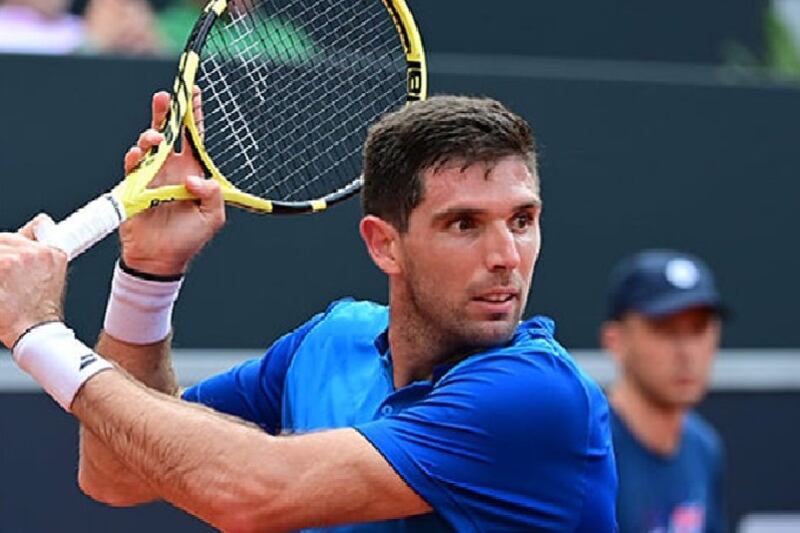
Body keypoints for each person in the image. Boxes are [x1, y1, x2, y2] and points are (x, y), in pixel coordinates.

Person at [0, 93, 617, 531]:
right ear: (384, 243)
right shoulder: (330, 341)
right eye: (464, 224)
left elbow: (254, 493)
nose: (507, 256)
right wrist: (148, 277)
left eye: (522, 220)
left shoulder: (537, 395)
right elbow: (119, 476)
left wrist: (37, 332)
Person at [600, 249, 727, 533]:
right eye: (664, 330)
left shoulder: (704, 448)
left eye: (698, 329)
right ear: (616, 341)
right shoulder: (585, 449)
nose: (686, 352)